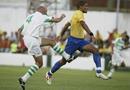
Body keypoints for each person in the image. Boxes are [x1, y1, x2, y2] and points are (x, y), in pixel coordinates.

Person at [46, 0, 108, 85]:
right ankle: (49, 74)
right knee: (63, 61)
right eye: (85, 6)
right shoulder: (79, 13)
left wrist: (61, 34)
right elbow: (83, 23)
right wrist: (91, 34)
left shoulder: (75, 14)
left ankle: (98, 72)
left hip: (81, 41)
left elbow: (66, 25)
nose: (87, 7)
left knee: (95, 50)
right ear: (80, 7)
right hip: (73, 41)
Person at [18, 6, 71, 90]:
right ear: (42, 10)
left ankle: (67, 56)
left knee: (51, 42)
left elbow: (19, 30)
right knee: (39, 63)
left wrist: (19, 42)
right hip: (33, 40)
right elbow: (57, 20)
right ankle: (23, 78)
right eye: (46, 11)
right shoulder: (41, 16)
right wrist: (62, 17)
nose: (47, 12)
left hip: (29, 39)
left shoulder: (30, 16)